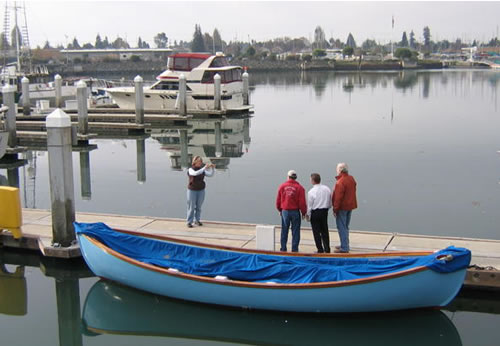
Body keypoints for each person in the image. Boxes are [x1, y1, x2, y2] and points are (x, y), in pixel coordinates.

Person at [276, 170, 307, 252]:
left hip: (285, 211)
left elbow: (278, 201)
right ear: (296, 178)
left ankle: (283, 249)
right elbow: (302, 202)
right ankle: (294, 250)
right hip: (295, 212)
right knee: (296, 231)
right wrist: (303, 212)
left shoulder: (282, 186)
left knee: (284, 230)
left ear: (288, 177)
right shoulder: (300, 188)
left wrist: (280, 209)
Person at [332, 163, 357, 253]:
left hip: (342, 207)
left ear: (340, 170)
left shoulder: (340, 182)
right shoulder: (351, 179)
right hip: (350, 206)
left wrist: (335, 209)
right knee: (346, 226)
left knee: (341, 227)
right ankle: (345, 243)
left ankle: (344, 247)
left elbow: (338, 198)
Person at [306, 173, 332, 253]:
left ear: (313, 181)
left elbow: (310, 205)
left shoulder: (311, 192)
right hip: (324, 211)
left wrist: (308, 215)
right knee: (325, 230)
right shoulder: (327, 189)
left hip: (315, 212)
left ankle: (320, 249)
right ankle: (327, 249)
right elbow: (330, 201)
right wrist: (327, 208)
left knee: (316, 232)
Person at [186, 156, 214, 228]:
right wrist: (204, 168)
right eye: (198, 161)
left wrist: (212, 168)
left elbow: (210, 174)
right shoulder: (190, 169)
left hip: (201, 190)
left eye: (201, 161)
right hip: (192, 190)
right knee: (191, 207)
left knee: (199, 207)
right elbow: (195, 173)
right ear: (194, 162)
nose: (200, 163)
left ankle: (197, 220)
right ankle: (189, 222)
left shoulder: (202, 170)